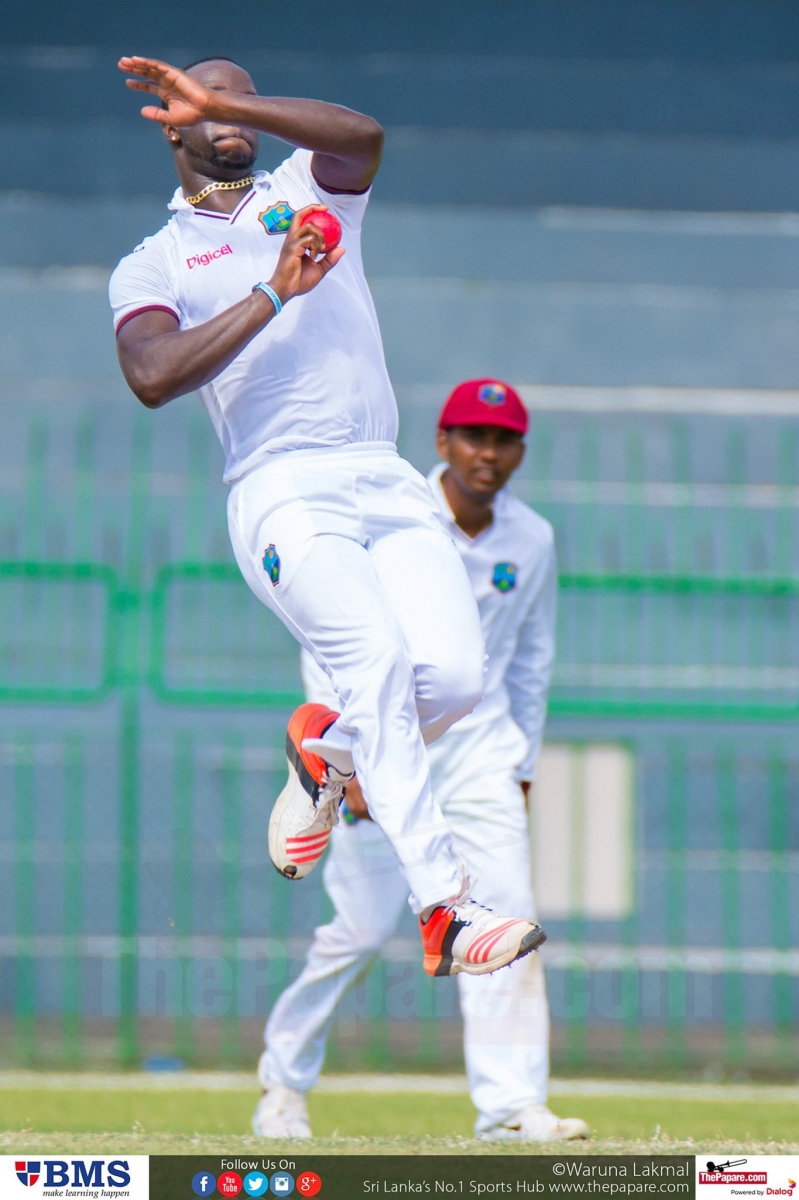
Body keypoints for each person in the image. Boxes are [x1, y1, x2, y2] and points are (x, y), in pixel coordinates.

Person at [109, 57, 545, 979]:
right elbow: (149, 375)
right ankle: (445, 908)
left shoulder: (306, 187)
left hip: (382, 474)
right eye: (204, 101)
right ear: (170, 128)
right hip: (280, 487)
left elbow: (365, 138)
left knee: (453, 679)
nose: (228, 112)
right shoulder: (155, 260)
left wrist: (225, 100)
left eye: (239, 98)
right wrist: (272, 292)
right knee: (375, 661)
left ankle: (328, 749)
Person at [253, 380, 590, 1143]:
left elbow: (530, 662)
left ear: (519, 451)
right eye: (472, 437)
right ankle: (283, 1084)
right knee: (360, 933)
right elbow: (331, 641)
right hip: (385, 753)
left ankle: (509, 1109)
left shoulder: (531, 539)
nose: (486, 454)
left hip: (481, 761)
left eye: (502, 440)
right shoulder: (387, 513)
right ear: (442, 443)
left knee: (507, 920)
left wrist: (522, 766)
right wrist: (347, 761)